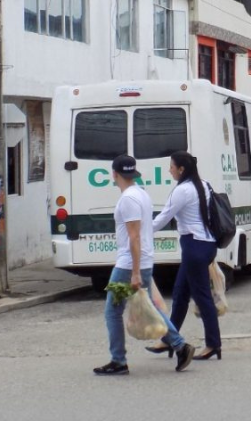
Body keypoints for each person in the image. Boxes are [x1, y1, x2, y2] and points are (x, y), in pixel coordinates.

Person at [94, 154, 193, 376]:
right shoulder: (141, 194)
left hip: (129, 264)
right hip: (142, 260)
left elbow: (134, 236)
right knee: (152, 309)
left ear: (115, 174)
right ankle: (180, 346)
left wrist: (135, 272)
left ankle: (118, 360)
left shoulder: (128, 199)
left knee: (112, 312)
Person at [150, 152, 222, 362]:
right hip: (206, 244)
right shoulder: (204, 184)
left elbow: (164, 216)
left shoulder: (182, 190)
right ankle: (170, 339)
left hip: (194, 246)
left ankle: (213, 344)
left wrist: (140, 232)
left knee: (202, 297)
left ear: (181, 169)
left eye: (171, 166)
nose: (169, 169)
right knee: (180, 293)